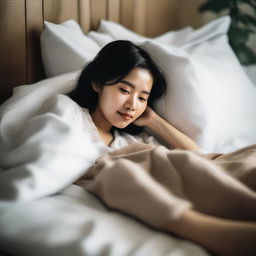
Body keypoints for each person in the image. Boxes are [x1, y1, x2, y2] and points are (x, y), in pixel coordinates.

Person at [70, 40, 256, 256]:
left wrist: (153, 120)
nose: (132, 105)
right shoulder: (73, 119)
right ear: (97, 83)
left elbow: (199, 156)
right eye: (124, 90)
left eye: (142, 98)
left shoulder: (133, 139)